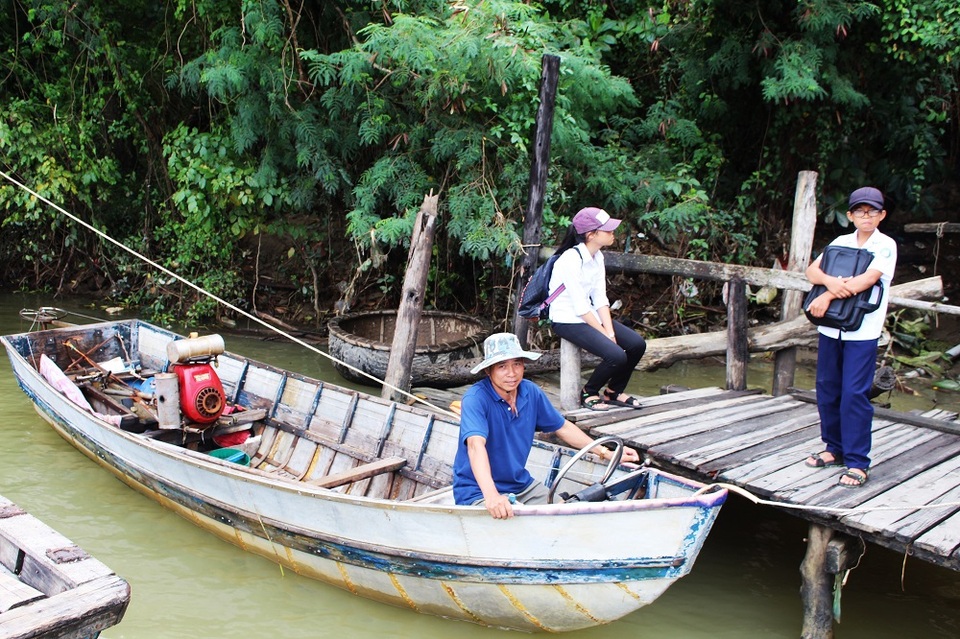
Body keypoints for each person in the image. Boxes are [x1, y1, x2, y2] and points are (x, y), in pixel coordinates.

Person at [452, 332, 640, 518]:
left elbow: (563, 427)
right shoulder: (476, 399)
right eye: (502, 366)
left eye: (517, 364)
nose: (512, 373)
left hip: (520, 485)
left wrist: (606, 452)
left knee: (563, 514)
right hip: (477, 490)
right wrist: (492, 496)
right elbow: (476, 446)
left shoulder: (530, 391)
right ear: (488, 370)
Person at [803, 186, 897, 488]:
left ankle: (858, 462)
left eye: (872, 211)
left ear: (881, 215)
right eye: (860, 211)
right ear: (850, 215)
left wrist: (827, 295)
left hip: (863, 331)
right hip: (830, 327)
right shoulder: (840, 242)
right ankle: (834, 448)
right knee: (827, 388)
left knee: (854, 393)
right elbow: (811, 271)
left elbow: (868, 279)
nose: (866, 216)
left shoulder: (886, 245)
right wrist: (831, 282)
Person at [547, 206, 647, 411]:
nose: (613, 233)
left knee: (637, 344)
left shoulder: (597, 256)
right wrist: (605, 336)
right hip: (567, 319)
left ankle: (614, 392)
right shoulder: (569, 260)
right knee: (617, 355)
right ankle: (589, 392)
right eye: (608, 230)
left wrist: (609, 331)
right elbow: (579, 305)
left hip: (588, 314)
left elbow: (600, 298)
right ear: (591, 235)